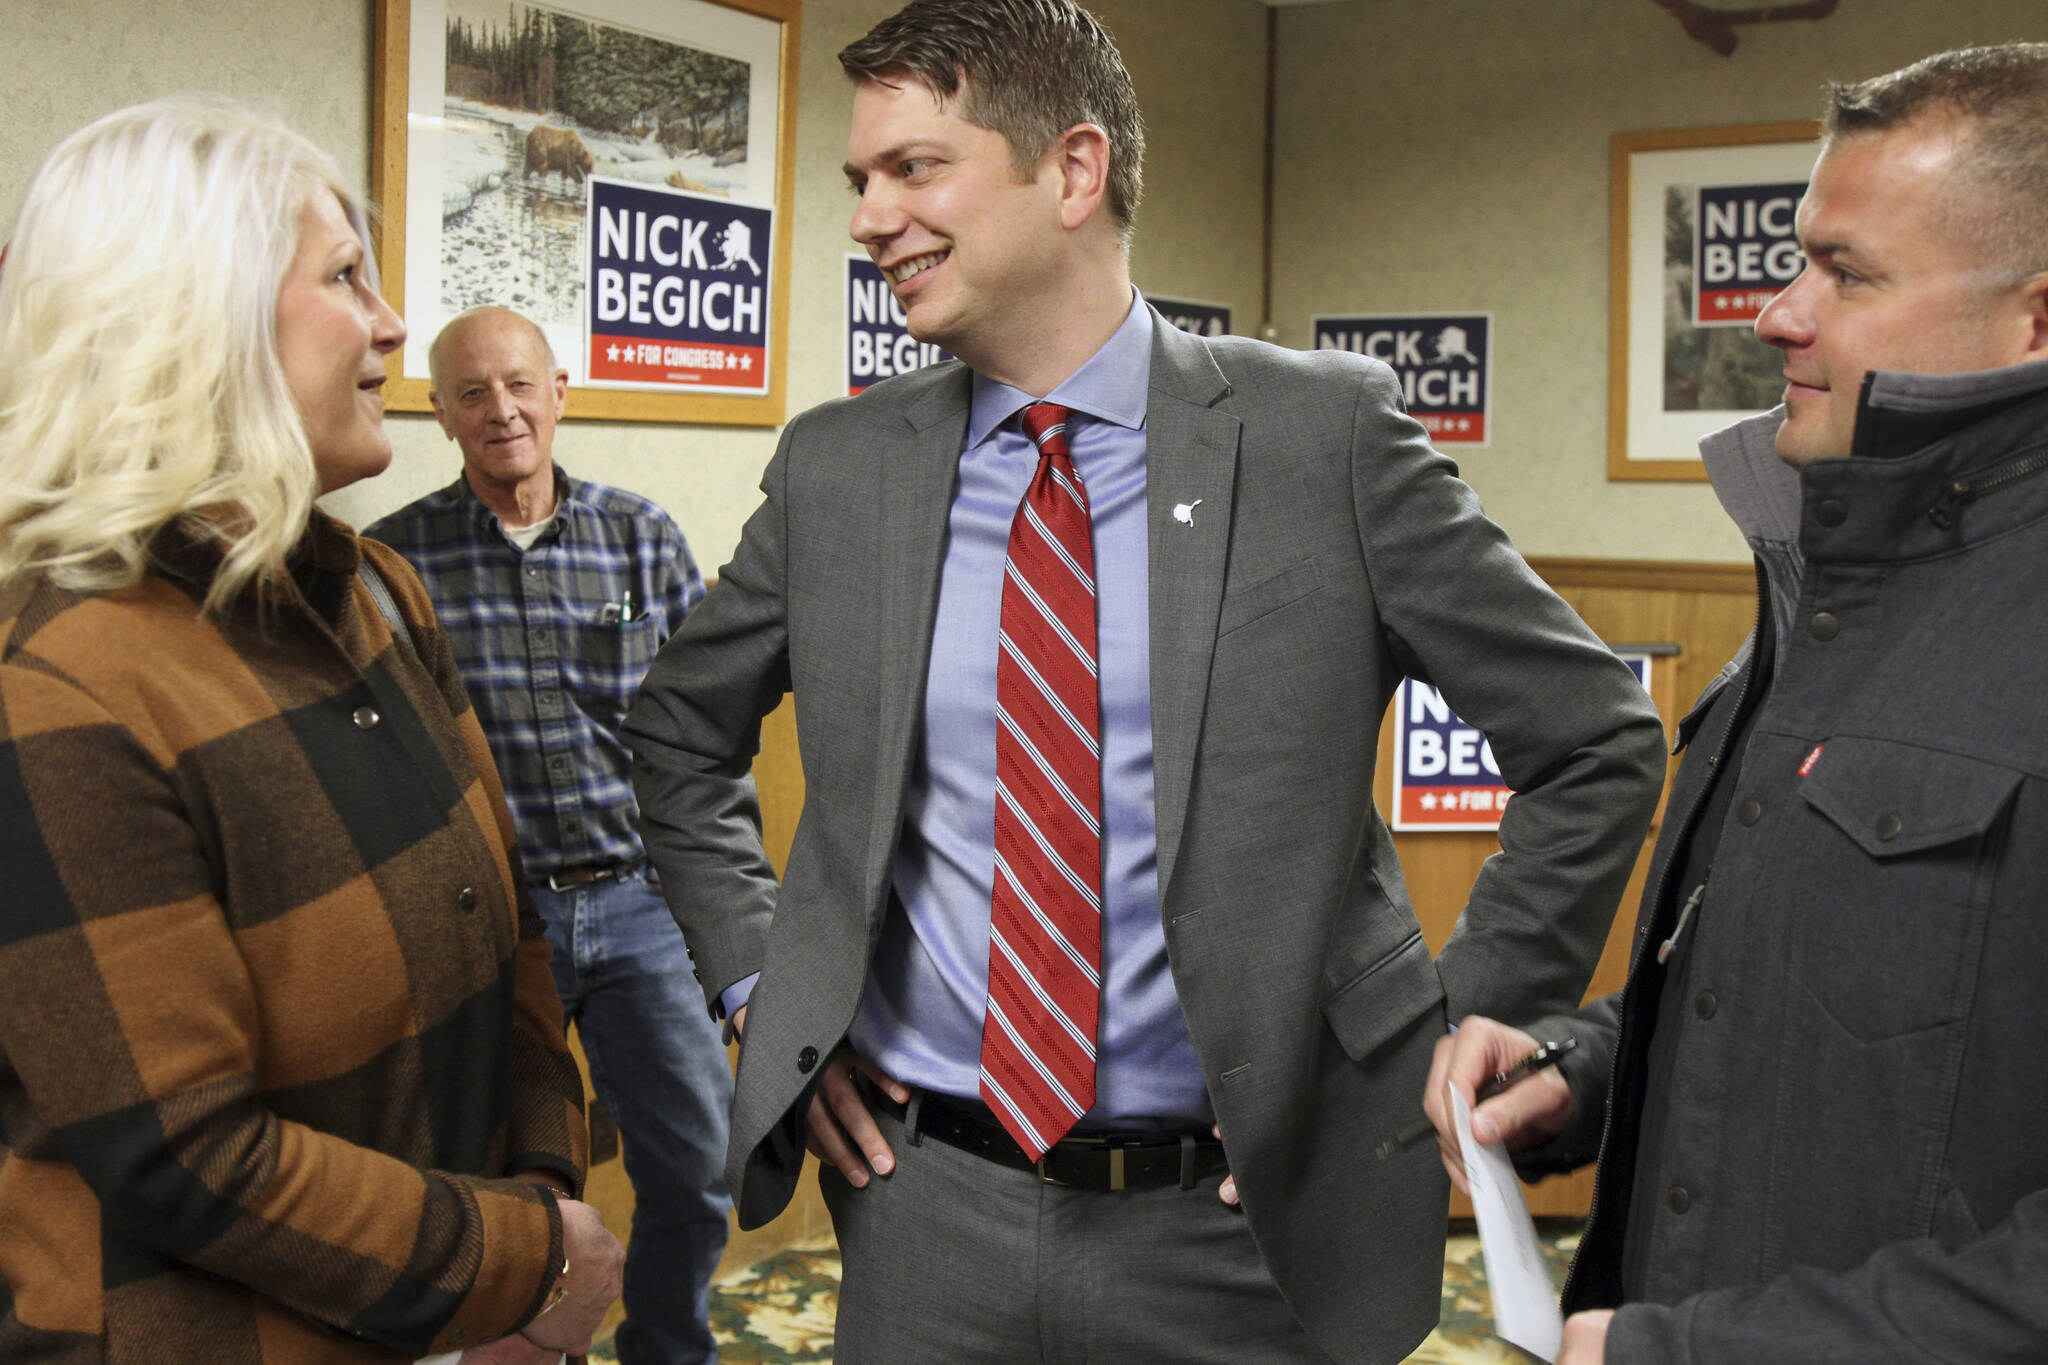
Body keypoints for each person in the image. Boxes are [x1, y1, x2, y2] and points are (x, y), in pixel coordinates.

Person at [625, 2, 1666, 1361]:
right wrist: (766, 987)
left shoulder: (1322, 438)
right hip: (919, 1206)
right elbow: (678, 734)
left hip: (1241, 1227)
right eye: (859, 181)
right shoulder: (838, 468)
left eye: (917, 168)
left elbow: (1592, 741)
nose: (871, 217)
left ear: (1072, 170)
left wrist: (1459, 1025)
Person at [1427, 42, 2048, 1364]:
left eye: (1848, 273)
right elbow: (1805, 996)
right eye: (1797, 256)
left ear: (2036, 322)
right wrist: (1586, 1066)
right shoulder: (1824, 582)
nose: (1776, 313)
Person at [0, 100, 623, 1364]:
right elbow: (185, 1155)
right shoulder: (56, 675)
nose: (395, 324)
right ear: (193, 315)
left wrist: (539, 1198)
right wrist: (522, 1262)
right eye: (345, 276)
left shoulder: (377, 589)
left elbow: (502, 936)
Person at [368, 306, 733, 1365]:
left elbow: (701, 739)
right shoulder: (390, 563)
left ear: (560, 391)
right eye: (471, 393)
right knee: (487, 1188)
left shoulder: (644, 536)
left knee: (696, 1166)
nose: (502, 410)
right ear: (438, 414)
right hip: (483, 919)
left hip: (639, 904)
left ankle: (667, 1352)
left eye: (519, 384)